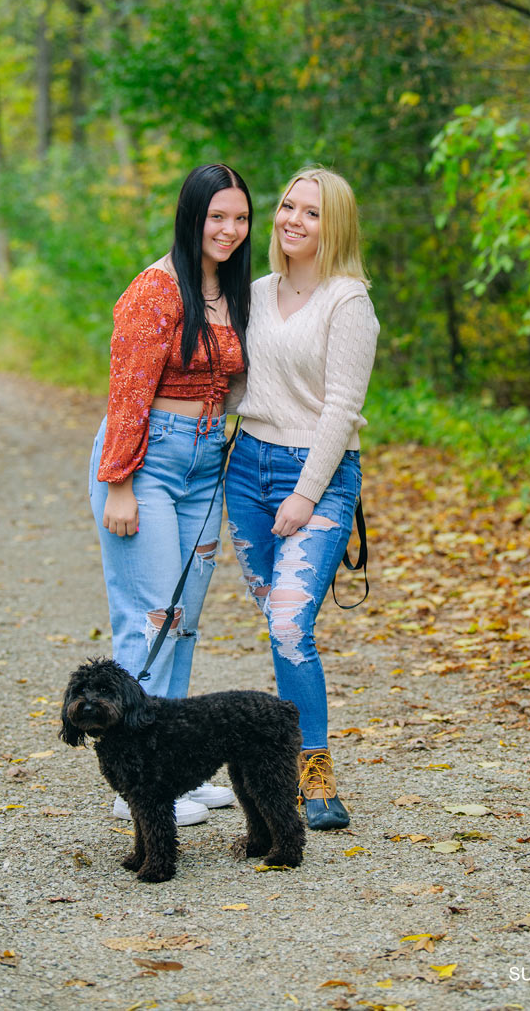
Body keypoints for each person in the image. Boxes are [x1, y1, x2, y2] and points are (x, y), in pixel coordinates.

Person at [89, 163, 252, 825]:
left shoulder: (232, 290)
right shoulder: (156, 290)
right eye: (217, 217)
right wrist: (119, 484)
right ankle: (138, 786)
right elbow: (128, 393)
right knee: (150, 617)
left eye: (240, 218)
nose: (230, 229)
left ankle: (174, 773)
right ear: (192, 217)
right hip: (147, 463)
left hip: (205, 464)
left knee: (182, 620)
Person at [224, 166, 379, 830]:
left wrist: (306, 495)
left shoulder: (349, 302)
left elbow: (342, 408)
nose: (292, 219)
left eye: (311, 212)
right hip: (247, 468)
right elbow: (239, 387)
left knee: (290, 626)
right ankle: (281, 773)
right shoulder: (257, 292)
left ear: (333, 224)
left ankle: (315, 778)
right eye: (287, 206)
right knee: (280, 628)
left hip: (315, 476)